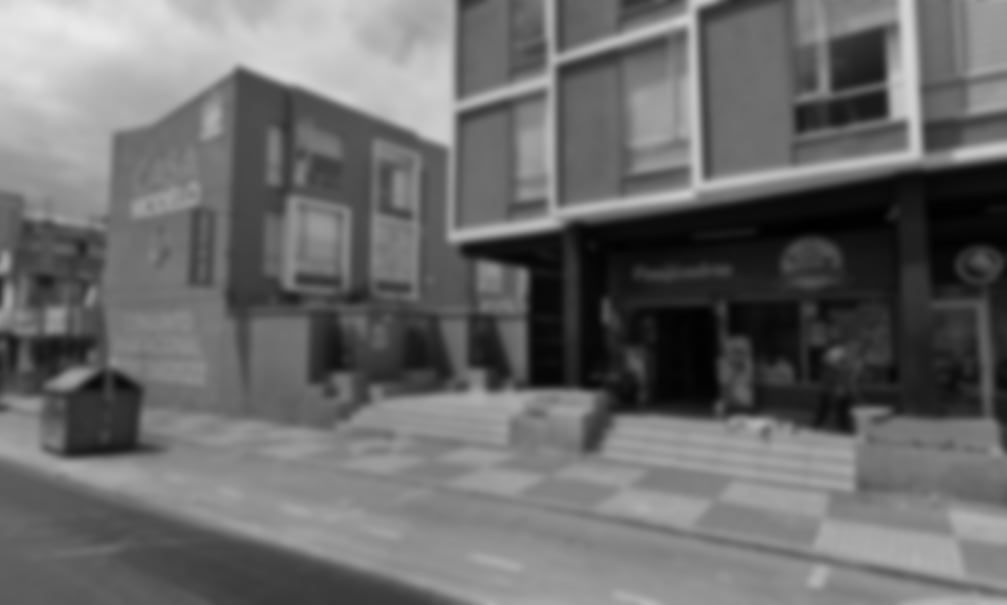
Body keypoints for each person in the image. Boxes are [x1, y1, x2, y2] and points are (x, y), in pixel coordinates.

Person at [812, 341, 859, 433]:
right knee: (827, 410)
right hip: (832, 392)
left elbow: (847, 383)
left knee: (840, 412)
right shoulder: (833, 369)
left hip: (838, 393)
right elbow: (838, 383)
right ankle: (817, 427)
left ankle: (843, 428)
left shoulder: (843, 367)